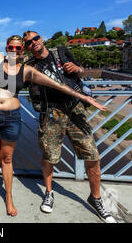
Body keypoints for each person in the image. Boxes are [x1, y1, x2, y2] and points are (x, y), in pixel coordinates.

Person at [0, 17, 106, 217]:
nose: (14, 51)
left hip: (11, 117)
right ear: (6, 48)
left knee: (7, 160)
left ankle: (9, 199)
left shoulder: (27, 70)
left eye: (19, 48)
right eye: (11, 47)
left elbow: (58, 85)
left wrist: (84, 97)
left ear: (23, 51)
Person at [22, 30, 116, 223]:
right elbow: (12, 81)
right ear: (27, 48)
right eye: (28, 42)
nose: (33, 43)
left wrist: (78, 69)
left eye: (35, 38)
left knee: (92, 155)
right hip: (51, 113)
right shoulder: (29, 66)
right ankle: (49, 192)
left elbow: (81, 71)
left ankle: (95, 198)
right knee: (50, 156)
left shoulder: (62, 51)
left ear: (42, 38)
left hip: (75, 109)